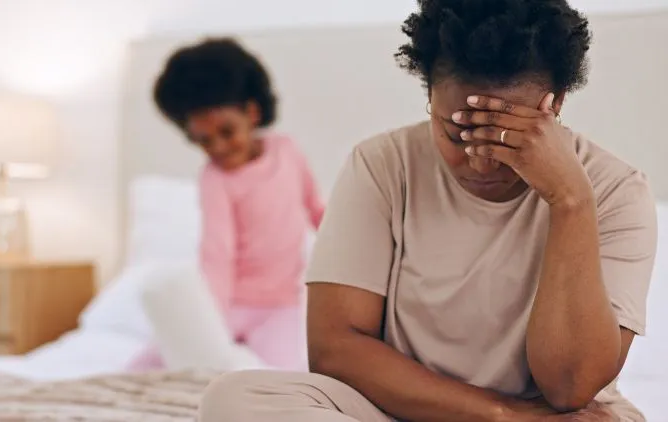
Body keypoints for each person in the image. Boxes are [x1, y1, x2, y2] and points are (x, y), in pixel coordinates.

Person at [198, 1, 657, 421]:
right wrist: (505, 416)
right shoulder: (383, 165)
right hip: (406, 410)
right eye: (458, 135)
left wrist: (570, 202)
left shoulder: (614, 191)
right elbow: (334, 349)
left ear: (555, 104)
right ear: (430, 96)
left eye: (507, 140)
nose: (480, 163)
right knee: (234, 398)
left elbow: (570, 388)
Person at [129, 38, 324, 372]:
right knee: (146, 367)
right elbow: (217, 253)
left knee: (283, 378)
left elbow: (316, 210)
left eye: (227, 131)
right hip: (230, 303)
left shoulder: (288, 151)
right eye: (204, 140)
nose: (218, 147)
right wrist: (209, 319)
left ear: (252, 112)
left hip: (282, 306)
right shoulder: (215, 178)